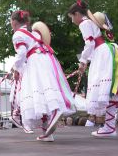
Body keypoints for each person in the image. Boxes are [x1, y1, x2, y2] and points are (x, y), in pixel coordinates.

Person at [68, 0, 118, 137]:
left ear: (76, 14)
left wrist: (83, 61)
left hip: (103, 54)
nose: (72, 20)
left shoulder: (84, 23)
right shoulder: (92, 22)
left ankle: (110, 126)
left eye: (72, 17)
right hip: (109, 51)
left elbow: (90, 43)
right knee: (110, 89)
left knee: (107, 90)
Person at [10, 10, 75, 142]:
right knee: (44, 92)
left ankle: (55, 111)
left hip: (35, 61)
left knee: (38, 92)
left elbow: (22, 53)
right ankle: (47, 132)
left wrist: (16, 69)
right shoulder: (33, 32)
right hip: (47, 59)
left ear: (14, 22)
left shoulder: (18, 34)